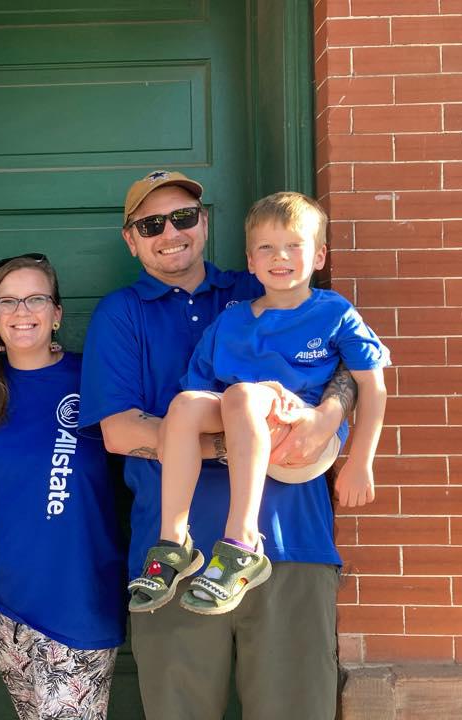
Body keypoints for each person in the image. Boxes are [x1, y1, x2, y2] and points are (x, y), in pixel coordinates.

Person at [79, 171, 358, 720]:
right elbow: (121, 432)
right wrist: (246, 446)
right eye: (151, 224)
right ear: (131, 239)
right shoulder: (122, 314)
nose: (170, 233)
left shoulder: (261, 284)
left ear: (204, 223)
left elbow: (349, 363)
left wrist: (327, 416)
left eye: (183, 217)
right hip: (173, 565)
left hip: (289, 543)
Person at [127, 191, 389, 616]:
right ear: (251, 261)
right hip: (246, 423)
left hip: (304, 438)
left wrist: (360, 462)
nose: (279, 256)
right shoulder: (230, 321)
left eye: (294, 245)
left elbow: (372, 385)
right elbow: (202, 397)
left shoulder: (334, 312)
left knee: (245, 393)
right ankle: (175, 542)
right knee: (184, 406)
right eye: (266, 247)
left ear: (319, 256)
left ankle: (242, 542)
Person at [0, 253, 126, 720]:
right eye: (8, 302)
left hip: (80, 601)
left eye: (36, 299)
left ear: (57, 314)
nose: (22, 311)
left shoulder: (93, 377)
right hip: (4, 607)